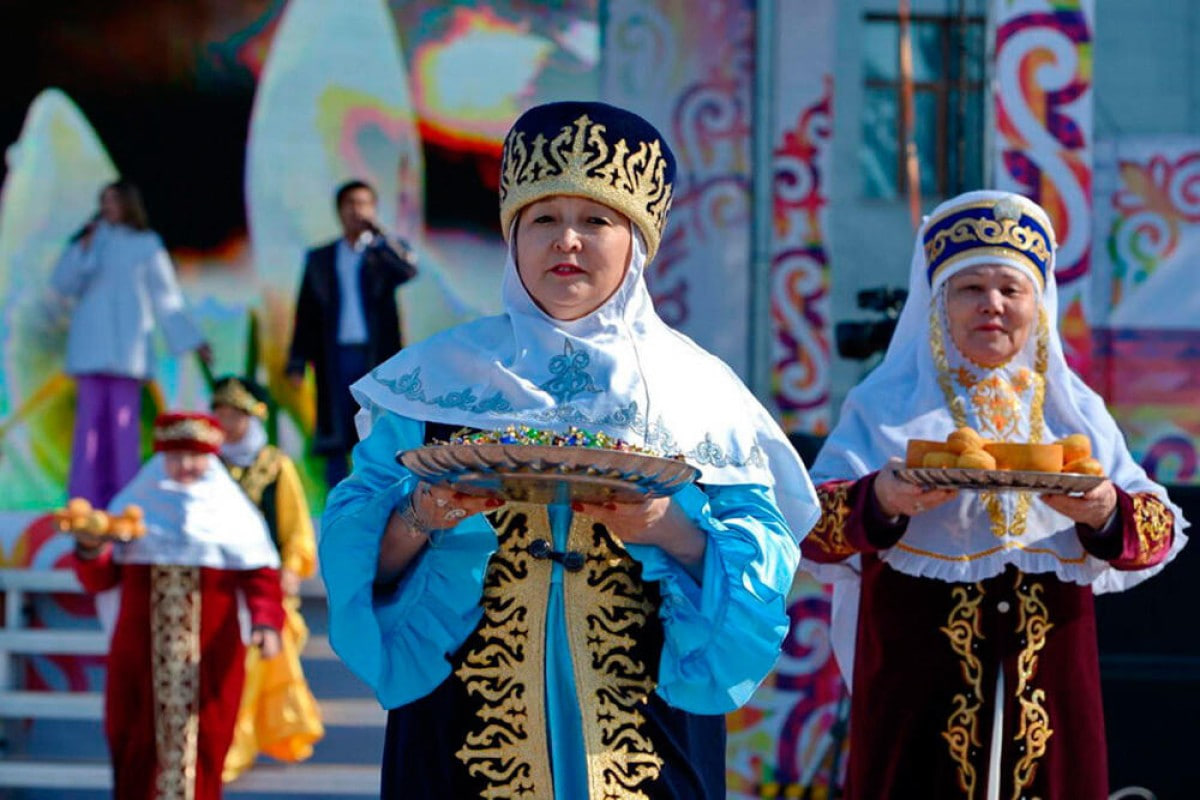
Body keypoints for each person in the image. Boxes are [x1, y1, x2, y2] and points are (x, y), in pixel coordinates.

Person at [319, 101, 820, 799]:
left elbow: (761, 568)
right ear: (513, 235)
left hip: (646, 730)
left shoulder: (699, 392)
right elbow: (354, 552)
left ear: (637, 240)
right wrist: (423, 516)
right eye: (544, 219)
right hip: (457, 731)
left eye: (596, 220)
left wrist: (664, 528)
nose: (568, 242)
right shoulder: (433, 382)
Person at [801, 190, 1188, 799]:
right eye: (970, 289)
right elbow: (809, 529)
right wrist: (884, 500)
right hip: (915, 696)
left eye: (1011, 289)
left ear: (1038, 304)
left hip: (1051, 698)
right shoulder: (884, 407)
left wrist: (1104, 511)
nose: (993, 306)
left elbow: (1157, 536)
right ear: (937, 305)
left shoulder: (1075, 411)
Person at [70, 411, 285, 800]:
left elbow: (260, 575)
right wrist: (90, 546)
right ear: (160, 458)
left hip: (211, 656)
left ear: (212, 457)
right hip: (140, 658)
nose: (185, 465)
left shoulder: (234, 515)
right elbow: (99, 579)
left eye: (194, 455)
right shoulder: (134, 505)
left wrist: (266, 623)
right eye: (175, 455)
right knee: (134, 741)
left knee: (208, 739)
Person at [49, 179, 212, 507]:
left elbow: (166, 297)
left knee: (123, 433)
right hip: (90, 351)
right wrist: (84, 249)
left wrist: (192, 339)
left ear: (127, 204)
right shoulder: (89, 241)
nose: (106, 206)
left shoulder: (146, 244)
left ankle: (124, 502)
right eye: (103, 199)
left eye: (113, 200)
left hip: (128, 354)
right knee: (89, 434)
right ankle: (82, 503)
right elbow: (62, 284)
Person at [208, 375, 324, 781]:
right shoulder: (209, 465)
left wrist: (292, 569)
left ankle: (246, 743)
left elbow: (295, 527)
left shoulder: (275, 465)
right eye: (219, 413)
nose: (225, 422)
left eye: (233, 414)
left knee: (259, 658)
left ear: (250, 417)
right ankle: (233, 745)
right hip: (217, 583)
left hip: (263, 586)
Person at [285, 179, 419, 489]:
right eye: (350, 204)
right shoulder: (321, 258)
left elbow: (408, 270)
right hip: (335, 355)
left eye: (363, 204)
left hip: (376, 356)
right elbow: (306, 312)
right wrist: (297, 360)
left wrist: (380, 233)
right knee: (338, 432)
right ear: (339, 210)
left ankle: (380, 498)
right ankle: (340, 502)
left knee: (377, 428)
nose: (357, 211)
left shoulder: (381, 255)